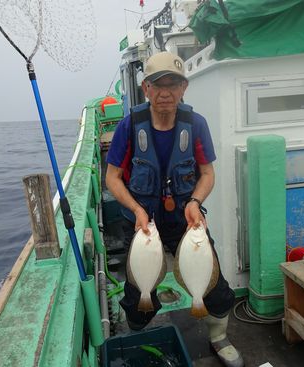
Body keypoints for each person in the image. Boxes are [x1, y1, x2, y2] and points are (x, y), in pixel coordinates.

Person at [105, 51, 244, 367]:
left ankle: (219, 337)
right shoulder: (130, 126)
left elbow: (207, 173)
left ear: (184, 88)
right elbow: (112, 178)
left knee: (216, 287)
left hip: (186, 220)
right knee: (137, 292)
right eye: (159, 85)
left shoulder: (195, 125)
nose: (166, 92)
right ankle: (137, 333)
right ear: (146, 89)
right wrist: (136, 209)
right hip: (141, 222)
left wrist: (195, 202)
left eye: (174, 84)